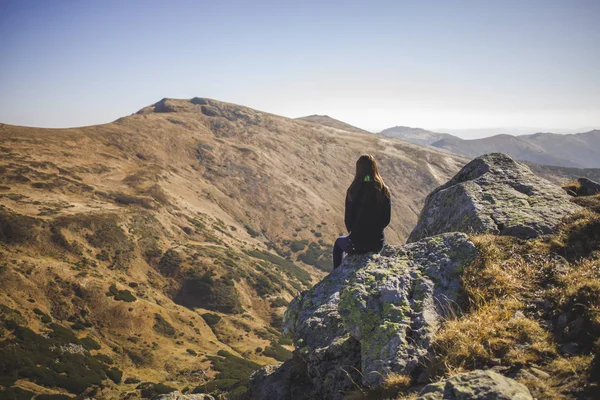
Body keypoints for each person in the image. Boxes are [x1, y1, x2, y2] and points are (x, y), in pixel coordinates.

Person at [333, 154, 391, 269]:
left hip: (357, 244)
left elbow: (348, 219)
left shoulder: (353, 190)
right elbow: (386, 219)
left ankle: (335, 274)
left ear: (358, 169)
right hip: (377, 244)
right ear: (374, 168)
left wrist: (355, 232)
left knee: (338, 243)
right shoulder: (383, 190)